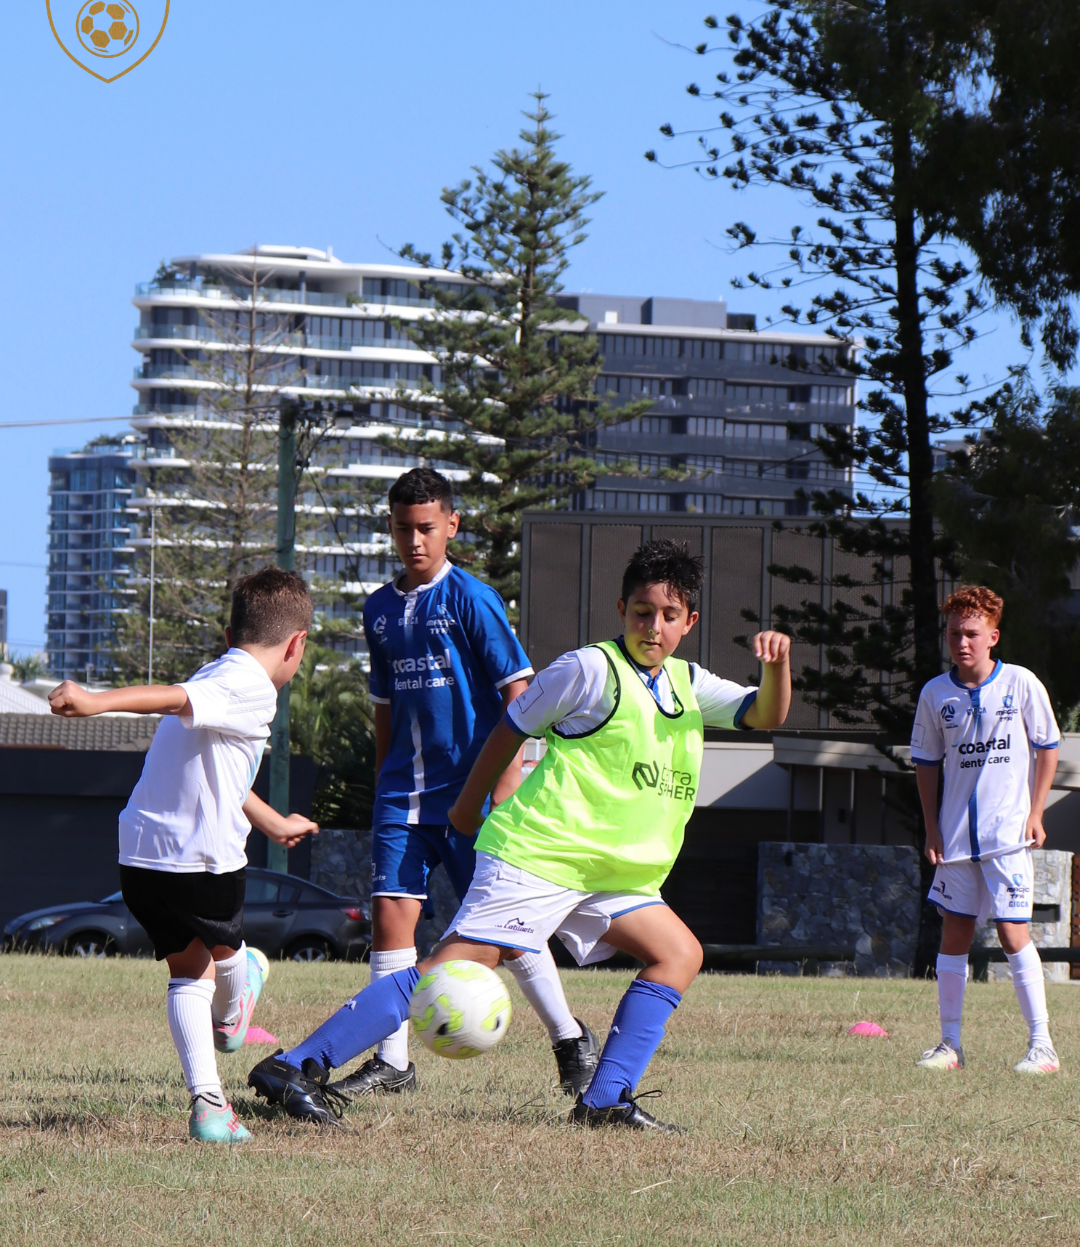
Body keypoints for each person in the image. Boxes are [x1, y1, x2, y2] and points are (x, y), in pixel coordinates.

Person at [250, 538, 791, 1132]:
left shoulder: (688, 685)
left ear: (688, 621)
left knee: (679, 954)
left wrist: (776, 665)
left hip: (613, 874)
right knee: (455, 966)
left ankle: (606, 1099)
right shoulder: (588, 669)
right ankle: (296, 1066)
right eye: (641, 612)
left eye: (668, 616)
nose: (653, 627)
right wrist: (464, 810)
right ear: (621, 609)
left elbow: (766, 715)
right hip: (541, 856)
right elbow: (510, 727)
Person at [307, 467, 593, 1110]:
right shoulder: (378, 609)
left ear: (451, 527)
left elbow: (520, 694)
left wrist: (506, 784)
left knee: (506, 927)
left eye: (427, 528)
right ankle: (393, 1062)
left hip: (472, 794)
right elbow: (383, 705)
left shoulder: (473, 598)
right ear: (391, 528)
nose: (414, 541)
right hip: (402, 797)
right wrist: (381, 777)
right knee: (389, 916)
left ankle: (569, 1039)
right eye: (403, 528)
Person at [48, 567, 319, 1142]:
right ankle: (238, 991)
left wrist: (272, 821)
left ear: (228, 635)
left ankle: (209, 1107)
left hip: (141, 856)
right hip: (203, 860)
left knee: (185, 974)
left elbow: (222, 772)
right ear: (296, 645)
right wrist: (95, 703)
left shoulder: (218, 674)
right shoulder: (248, 685)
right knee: (227, 963)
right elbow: (173, 698)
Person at [911, 585, 1061, 1074]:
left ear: (993, 635)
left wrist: (1036, 812)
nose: (962, 642)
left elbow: (1048, 747)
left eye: (972, 633)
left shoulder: (1020, 684)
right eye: (954, 633)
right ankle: (949, 1045)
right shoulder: (935, 693)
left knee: (1012, 930)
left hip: (1007, 838)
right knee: (954, 931)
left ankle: (1042, 1047)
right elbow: (927, 764)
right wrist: (933, 828)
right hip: (955, 840)